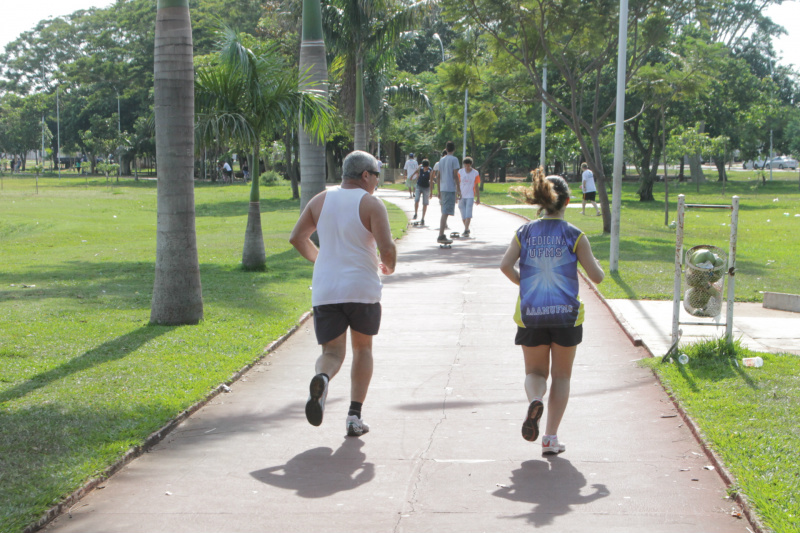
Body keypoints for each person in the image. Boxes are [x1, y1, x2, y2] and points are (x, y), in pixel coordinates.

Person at [289, 150, 397, 437]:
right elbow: (387, 248)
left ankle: (322, 378)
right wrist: (389, 266)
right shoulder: (371, 204)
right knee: (363, 349)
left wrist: (322, 260)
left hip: (327, 290)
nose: (376, 180)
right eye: (376, 175)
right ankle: (354, 417)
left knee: (332, 353)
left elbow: (297, 238)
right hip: (361, 289)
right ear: (365, 175)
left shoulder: (320, 200)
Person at [499, 169, 604, 456]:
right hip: (566, 317)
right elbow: (597, 277)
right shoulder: (575, 235)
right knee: (561, 376)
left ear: (540, 202)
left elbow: (505, 266)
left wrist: (526, 282)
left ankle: (535, 398)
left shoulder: (524, 232)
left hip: (531, 314)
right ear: (567, 202)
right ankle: (550, 438)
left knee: (534, 372)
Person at [436, 141, 460, 244]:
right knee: (445, 212)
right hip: (450, 188)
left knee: (445, 211)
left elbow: (438, 176)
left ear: (446, 149)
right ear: (454, 149)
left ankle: (442, 233)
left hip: (443, 188)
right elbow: (455, 175)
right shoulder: (454, 159)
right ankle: (441, 235)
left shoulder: (441, 160)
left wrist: (438, 190)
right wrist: (458, 188)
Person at [457, 156, 481, 237]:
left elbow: (477, 186)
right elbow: (457, 183)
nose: (467, 167)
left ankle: (465, 230)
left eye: (468, 165)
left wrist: (478, 198)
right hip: (461, 195)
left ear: (471, 165)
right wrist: (457, 193)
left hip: (470, 195)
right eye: (465, 166)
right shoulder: (460, 172)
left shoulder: (475, 173)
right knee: (463, 215)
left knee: (468, 213)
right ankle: (467, 229)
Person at [414, 159, 433, 224]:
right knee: (416, 200)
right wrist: (414, 176)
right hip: (419, 185)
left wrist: (431, 192)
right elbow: (416, 171)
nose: (425, 168)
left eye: (426, 167)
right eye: (424, 167)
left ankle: (422, 218)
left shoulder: (430, 171)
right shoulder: (420, 168)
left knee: (425, 203)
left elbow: (431, 180)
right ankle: (415, 213)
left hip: (426, 187)